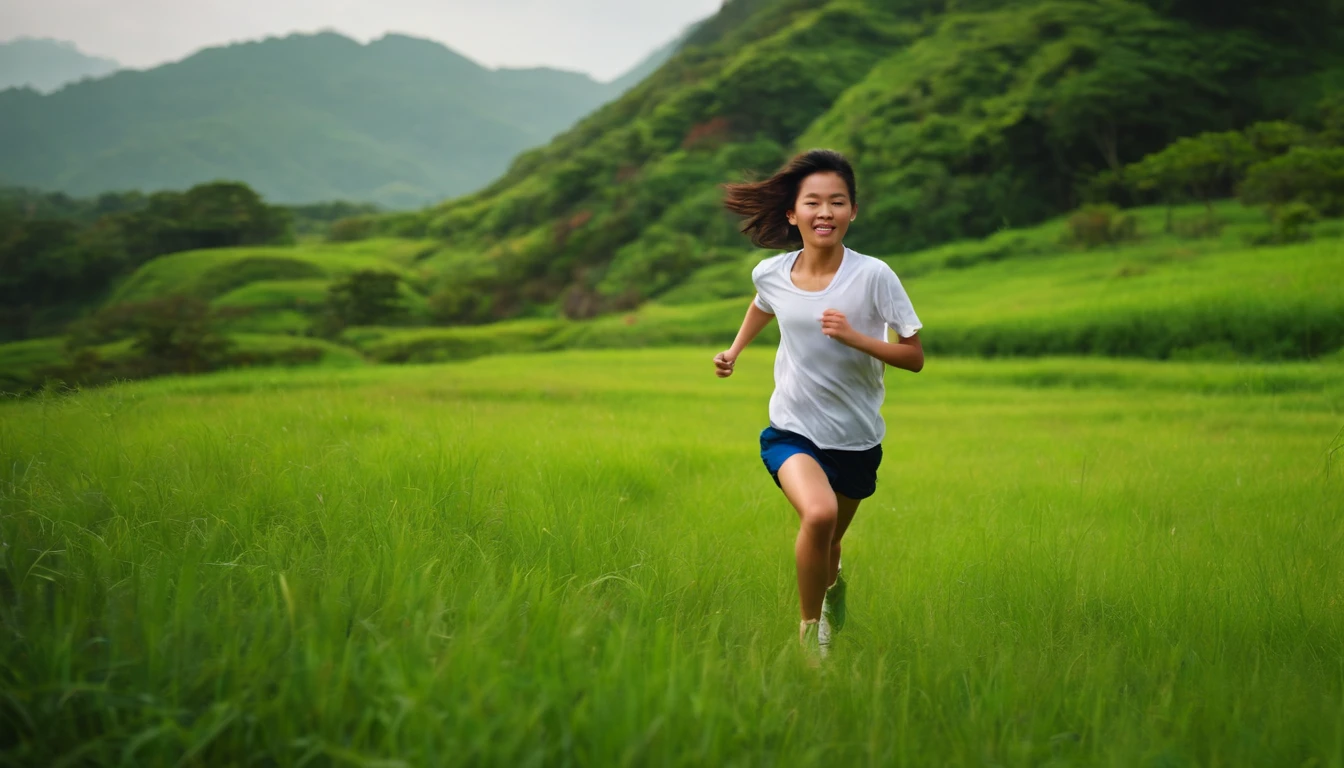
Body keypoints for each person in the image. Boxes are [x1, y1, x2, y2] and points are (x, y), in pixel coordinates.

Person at [714, 149, 924, 660]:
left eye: (837, 201)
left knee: (830, 542)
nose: (825, 212)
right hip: (792, 427)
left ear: (853, 211)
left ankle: (832, 589)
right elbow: (765, 303)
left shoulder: (874, 276)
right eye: (813, 202)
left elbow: (913, 357)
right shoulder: (771, 272)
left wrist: (855, 338)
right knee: (819, 514)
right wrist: (736, 349)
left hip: (856, 437)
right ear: (793, 213)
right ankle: (811, 635)